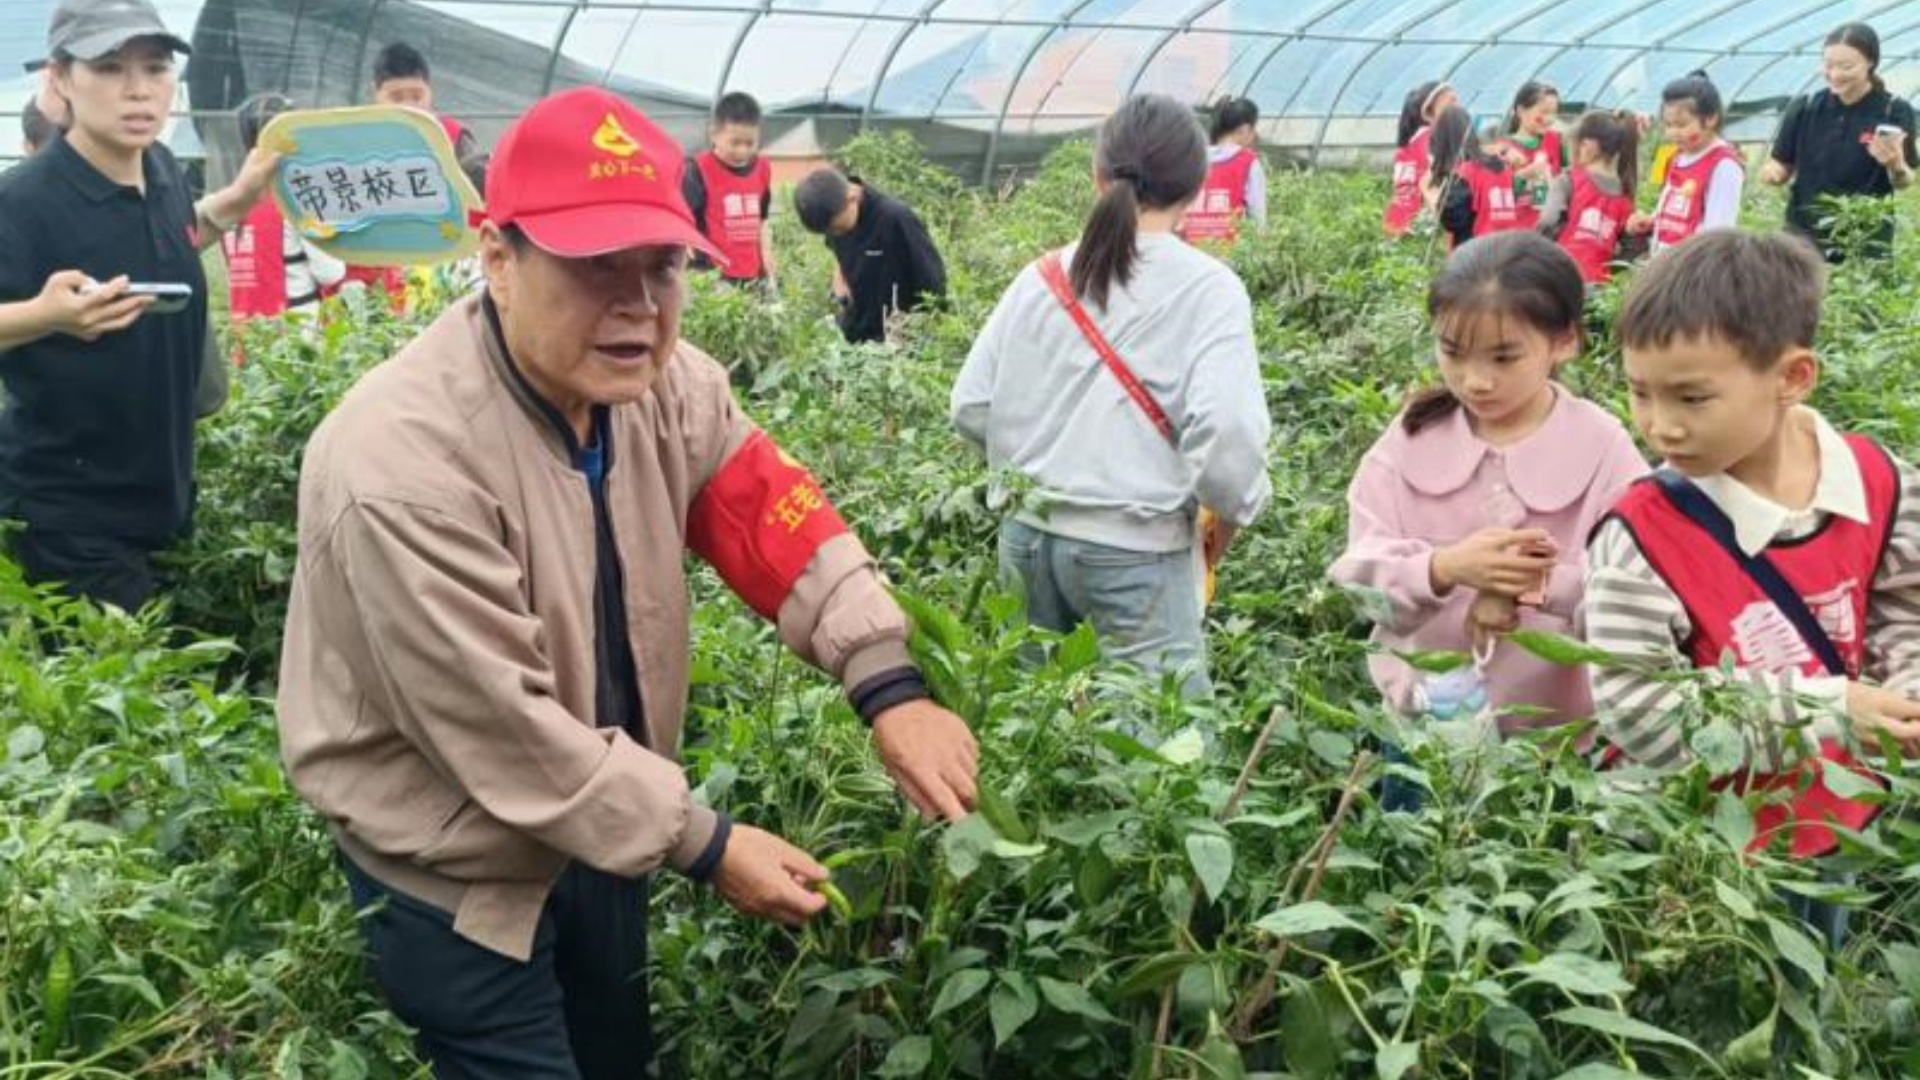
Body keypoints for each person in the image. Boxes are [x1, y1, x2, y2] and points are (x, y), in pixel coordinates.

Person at [276, 87, 979, 1079]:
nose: (640, 306)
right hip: (459, 873)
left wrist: (888, 682)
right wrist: (707, 842)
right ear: (498, 259)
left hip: (606, 830)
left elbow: (765, 514)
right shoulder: (401, 466)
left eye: (662, 266)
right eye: (596, 264)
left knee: (615, 1057)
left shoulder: (663, 386)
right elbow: (503, 729)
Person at [1588, 230, 1920, 946]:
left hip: (1828, 814)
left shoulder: (1878, 483)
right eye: (1640, 392)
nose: (1659, 426)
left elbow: (1903, 604)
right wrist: (1828, 710)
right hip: (1688, 847)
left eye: (1691, 398)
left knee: (1817, 960)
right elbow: (1637, 710)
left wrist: (1905, 690)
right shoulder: (1641, 535)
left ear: (1792, 376)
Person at [950, 94, 1272, 698]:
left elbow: (971, 404)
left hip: (1027, 540)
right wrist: (1227, 516)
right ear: (1196, 187)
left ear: (1097, 175)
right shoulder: (1209, 289)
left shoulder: (1040, 277)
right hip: (1136, 550)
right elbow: (1228, 436)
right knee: (1160, 737)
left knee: (1030, 721)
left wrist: (1038, 469)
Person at [1330, 233, 1645, 809]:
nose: (1475, 380)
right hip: (1425, 731)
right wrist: (1443, 568)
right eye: (1453, 352)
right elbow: (1358, 582)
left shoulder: (1602, 448)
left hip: (1557, 748)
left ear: (1564, 341)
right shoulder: (1411, 439)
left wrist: (1529, 583)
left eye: (1503, 358)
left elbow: (1640, 594)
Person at [0, 0, 278, 610]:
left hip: (162, 501)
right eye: (109, 68)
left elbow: (167, 239)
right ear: (60, 78)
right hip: (70, 519)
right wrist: (46, 315)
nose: (138, 90)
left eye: (155, 68)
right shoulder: (22, 202)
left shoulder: (162, 169)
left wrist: (234, 202)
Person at [1760, 22, 1917, 262]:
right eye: (1828, 65)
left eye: (1846, 67)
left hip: (1864, 241)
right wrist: (1771, 173)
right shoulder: (1806, 107)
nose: (1834, 75)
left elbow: (1904, 181)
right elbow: (1780, 164)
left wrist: (1895, 164)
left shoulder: (1893, 110)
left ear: (1870, 62)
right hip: (1803, 238)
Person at [222, 93, 345, 326]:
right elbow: (330, 274)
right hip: (296, 330)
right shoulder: (300, 201)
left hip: (246, 329)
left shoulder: (231, 202)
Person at [794, 168, 946, 344]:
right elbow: (838, 251)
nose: (835, 234)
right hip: (859, 328)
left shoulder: (895, 218)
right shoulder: (835, 211)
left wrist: (922, 329)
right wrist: (840, 279)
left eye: (837, 229)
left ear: (852, 198)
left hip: (898, 335)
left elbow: (933, 281)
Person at [1628, 71, 1745, 252]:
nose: (1673, 133)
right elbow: (1674, 212)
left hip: (1692, 265)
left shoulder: (1723, 165)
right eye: (1668, 125)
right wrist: (1652, 221)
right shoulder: (1677, 158)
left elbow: (1718, 234)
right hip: (1666, 260)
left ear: (1711, 119)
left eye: (1681, 125)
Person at [683, 91, 775, 288]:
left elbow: (762, 218)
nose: (742, 151)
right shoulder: (698, 170)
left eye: (750, 143)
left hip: (752, 271)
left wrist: (766, 253)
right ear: (714, 135)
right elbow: (683, 218)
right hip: (711, 273)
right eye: (735, 143)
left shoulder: (762, 168)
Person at [1537, 110, 1639, 284]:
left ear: (1585, 145)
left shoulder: (1568, 180)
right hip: (1598, 285)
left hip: (1559, 276)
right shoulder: (1625, 198)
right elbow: (1633, 246)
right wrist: (1608, 272)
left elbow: (1548, 221)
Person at [1180, 96, 1265, 247]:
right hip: (1228, 251)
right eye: (1253, 129)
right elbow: (1258, 218)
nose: (1254, 135)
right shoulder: (1248, 161)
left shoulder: (1191, 158)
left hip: (1190, 248)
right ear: (1245, 129)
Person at [1433, 105, 1523, 246]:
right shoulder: (1503, 166)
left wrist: (1437, 201)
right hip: (1507, 246)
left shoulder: (1465, 171)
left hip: (1477, 250)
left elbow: (1454, 219)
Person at [1384, 81, 1457, 236]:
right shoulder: (1433, 138)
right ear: (1429, 111)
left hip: (1399, 219)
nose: (1458, 106)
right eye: (1451, 101)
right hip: (1422, 222)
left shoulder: (1417, 139)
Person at [1494, 80, 1565, 230]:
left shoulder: (1555, 141)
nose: (1550, 119)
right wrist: (1523, 176)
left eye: (1554, 113)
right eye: (1544, 112)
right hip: (1516, 233)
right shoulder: (1504, 149)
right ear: (1521, 111)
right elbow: (1495, 195)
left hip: (1550, 231)